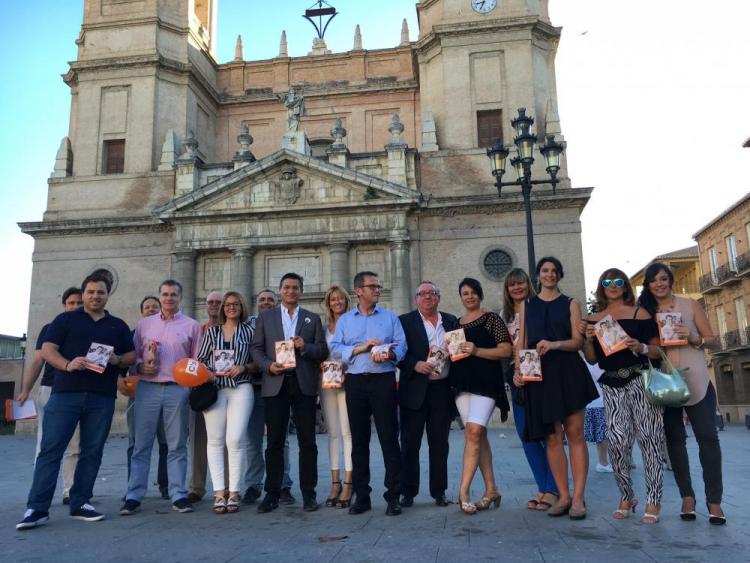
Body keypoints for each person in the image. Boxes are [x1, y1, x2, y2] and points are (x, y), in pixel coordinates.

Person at [16, 271, 135, 529]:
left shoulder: (118, 326)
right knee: (50, 450)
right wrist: (68, 364)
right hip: (65, 395)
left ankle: (81, 502)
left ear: (107, 295)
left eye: (100, 292)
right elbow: (47, 350)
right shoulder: (65, 320)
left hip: (101, 397)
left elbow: (132, 355)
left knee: (91, 452)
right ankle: (37, 508)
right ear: (84, 294)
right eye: (91, 292)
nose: (95, 296)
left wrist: (117, 360)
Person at [638, 262, 725, 525]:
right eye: (653, 280)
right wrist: (649, 345)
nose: (659, 284)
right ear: (648, 285)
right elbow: (648, 349)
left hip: (697, 379)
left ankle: (714, 501)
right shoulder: (645, 312)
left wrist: (694, 337)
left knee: (708, 438)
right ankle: (687, 497)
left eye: (664, 278)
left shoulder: (689, 305)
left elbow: (714, 340)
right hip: (666, 383)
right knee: (674, 441)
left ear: (670, 280)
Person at [517, 257, 598, 520]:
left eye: (554, 271)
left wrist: (554, 345)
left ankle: (578, 498)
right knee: (552, 437)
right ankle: (562, 495)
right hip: (541, 376)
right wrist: (519, 370)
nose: (550, 275)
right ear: (538, 276)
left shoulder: (571, 303)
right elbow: (523, 342)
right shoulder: (526, 305)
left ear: (559, 275)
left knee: (575, 435)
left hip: (568, 372)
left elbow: (577, 342)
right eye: (545, 271)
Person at [580, 269, 663, 523]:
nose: (613, 286)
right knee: (616, 442)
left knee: (650, 441)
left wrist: (641, 347)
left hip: (640, 379)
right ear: (601, 287)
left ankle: (654, 499)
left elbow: (659, 350)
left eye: (618, 282)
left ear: (625, 286)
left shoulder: (640, 314)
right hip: (612, 384)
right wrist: (588, 339)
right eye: (607, 282)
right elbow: (592, 358)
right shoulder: (594, 318)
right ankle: (627, 494)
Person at [121, 280, 203, 516]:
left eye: (173, 295)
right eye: (165, 294)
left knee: (176, 444)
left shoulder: (192, 326)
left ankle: (178, 495)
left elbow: (195, 360)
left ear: (180, 298)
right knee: (141, 444)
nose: (169, 298)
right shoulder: (144, 325)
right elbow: (133, 355)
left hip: (177, 390)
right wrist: (138, 367)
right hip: (147, 388)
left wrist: (189, 386)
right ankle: (134, 495)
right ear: (159, 297)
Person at [330, 271, 407, 516]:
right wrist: (360, 349)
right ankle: (362, 496)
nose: (377, 290)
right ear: (359, 291)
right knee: (359, 441)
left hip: (383, 380)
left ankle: (393, 495)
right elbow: (335, 348)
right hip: (355, 382)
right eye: (372, 286)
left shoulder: (390, 317)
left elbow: (402, 345)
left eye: (378, 286)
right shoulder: (345, 321)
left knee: (389, 438)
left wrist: (390, 353)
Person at [251, 273, 328, 513]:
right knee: (274, 442)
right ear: (280, 291)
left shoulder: (312, 319)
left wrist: (306, 347)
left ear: (301, 291)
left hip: (303, 384)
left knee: (308, 442)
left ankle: (309, 493)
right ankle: (272, 493)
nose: (291, 291)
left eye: (295, 288)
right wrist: (267, 366)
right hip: (276, 383)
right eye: (287, 287)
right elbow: (256, 348)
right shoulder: (266, 317)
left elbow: (322, 350)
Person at [450, 278, 512, 515]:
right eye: (465, 293)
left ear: (480, 294)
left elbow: (506, 350)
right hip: (462, 385)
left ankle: (463, 491)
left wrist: (477, 350)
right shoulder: (455, 323)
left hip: (486, 384)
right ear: (461, 297)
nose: (469, 296)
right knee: (478, 434)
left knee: (474, 432)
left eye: (473, 292)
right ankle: (492, 490)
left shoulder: (491, 319)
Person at [16, 287, 83, 506]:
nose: (75, 307)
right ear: (64, 305)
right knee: (45, 444)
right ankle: (40, 492)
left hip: (76, 391)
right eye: (71, 303)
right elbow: (37, 361)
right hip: (51, 389)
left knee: (75, 445)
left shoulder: (89, 328)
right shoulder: (51, 328)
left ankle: (70, 490)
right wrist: (26, 389)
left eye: (79, 303)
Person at [501, 268, 558, 512]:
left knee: (548, 434)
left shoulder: (539, 307)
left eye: (521, 283)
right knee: (526, 436)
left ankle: (554, 488)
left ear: (529, 284)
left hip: (543, 376)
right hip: (518, 379)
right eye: (512, 284)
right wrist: (512, 374)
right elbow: (505, 351)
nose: (517, 288)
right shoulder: (504, 316)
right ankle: (543, 486)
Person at [398, 281, 458, 508]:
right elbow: (398, 352)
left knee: (440, 443)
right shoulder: (404, 322)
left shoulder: (451, 321)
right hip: (414, 388)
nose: (427, 297)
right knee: (410, 443)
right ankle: (408, 492)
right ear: (416, 298)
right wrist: (415, 364)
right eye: (422, 294)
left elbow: (459, 349)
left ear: (439, 298)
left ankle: (439, 491)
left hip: (442, 390)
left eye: (432, 293)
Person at [197, 291, 255, 514]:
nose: (231, 307)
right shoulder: (211, 332)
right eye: (227, 304)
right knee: (215, 441)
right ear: (222, 308)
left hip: (241, 387)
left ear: (242, 307)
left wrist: (244, 367)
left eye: (236, 304)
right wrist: (209, 373)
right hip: (216, 390)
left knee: (236, 439)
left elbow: (257, 361)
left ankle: (235, 491)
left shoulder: (250, 331)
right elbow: (201, 361)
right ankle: (219, 492)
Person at [242, 289, 294, 506]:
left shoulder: (286, 324)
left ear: (277, 302)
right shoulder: (245, 327)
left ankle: (283, 484)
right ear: (256, 303)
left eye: (270, 300)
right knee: (253, 440)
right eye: (262, 299)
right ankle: (254, 484)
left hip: (277, 386)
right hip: (252, 388)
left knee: (281, 440)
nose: (266, 303)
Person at [116, 295, 169, 500]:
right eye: (147, 307)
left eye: (154, 307)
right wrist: (119, 378)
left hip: (165, 392)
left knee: (166, 443)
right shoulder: (132, 335)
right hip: (138, 394)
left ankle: (165, 485)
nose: (151, 310)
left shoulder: (168, 334)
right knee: (135, 443)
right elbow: (121, 360)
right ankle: (133, 487)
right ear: (141, 312)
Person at [319, 285, 354, 508]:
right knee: (332, 433)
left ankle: (349, 482)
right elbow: (318, 353)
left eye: (341, 298)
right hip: (327, 383)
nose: (337, 302)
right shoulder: (323, 328)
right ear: (328, 303)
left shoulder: (353, 323)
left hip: (349, 381)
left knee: (348, 432)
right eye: (333, 299)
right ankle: (335, 482)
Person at [187, 291, 223, 503]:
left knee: (226, 441)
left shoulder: (233, 329)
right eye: (211, 302)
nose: (214, 306)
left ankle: (227, 486)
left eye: (218, 302)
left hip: (227, 388)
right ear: (205, 305)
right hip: (201, 390)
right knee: (198, 440)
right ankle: (197, 487)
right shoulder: (198, 331)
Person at [583, 361, 613, 474]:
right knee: (602, 435)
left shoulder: (588, 362)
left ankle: (604, 462)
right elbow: (603, 377)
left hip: (597, 402)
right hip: (599, 402)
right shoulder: (592, 363)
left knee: (602, 435)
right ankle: (603, 462)